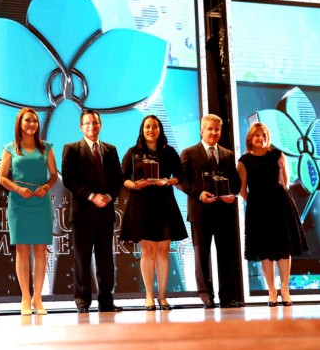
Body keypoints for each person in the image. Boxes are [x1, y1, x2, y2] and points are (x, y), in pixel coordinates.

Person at [120, 115, 187, 310]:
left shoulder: (169, 152)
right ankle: (149, 295)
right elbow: (122, 177)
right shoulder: (133, 153)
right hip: (141, 205)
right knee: (148, 251)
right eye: (148, 126)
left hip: (165, 204)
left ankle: (163, 296)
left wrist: (168, 181)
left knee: (163, 251)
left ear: (160, 129)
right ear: (142, 130)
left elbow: (180, 176)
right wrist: (134, 184)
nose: (151, 130)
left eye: (155, 126)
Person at [237, 122, 308, 307]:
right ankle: (271, 291)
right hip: (258, 209)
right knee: (265, 251)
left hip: (281, 205)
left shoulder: (277, 155)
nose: (261, 138)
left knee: (284, 249)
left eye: (264, 135)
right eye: (257, 135)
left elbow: (285, 180)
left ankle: (285, 290)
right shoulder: (244, 161)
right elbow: (242, 190)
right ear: (250, 139)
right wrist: (255, 202)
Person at [61, 109, 124, 313]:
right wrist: (91, 196)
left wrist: (108, 196)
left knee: (106, 260)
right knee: (82, 260)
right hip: (82, 214)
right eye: (87, 123)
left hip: (105, 213)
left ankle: (106, 301)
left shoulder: (110, 149)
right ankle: (82, 302)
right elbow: (69, 180)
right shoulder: (71, 149)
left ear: (100, 125)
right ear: (81, 127)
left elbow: (117, 179)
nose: (92, 126)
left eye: (95, 123)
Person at [179, 114, 243, 309]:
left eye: (217, 129)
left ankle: (227, 297)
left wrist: (232, 194)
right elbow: (181, 181)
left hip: (224, 212)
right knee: (201, 257)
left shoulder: (227, 154)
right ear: (202, 130)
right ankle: (207, 297)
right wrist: (199, 194)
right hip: (200, 213)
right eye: (210, 129)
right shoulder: (189, 153)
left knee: (226, 255)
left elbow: (236, 181)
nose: (214, 132)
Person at [0, 108, 58, 315]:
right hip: (19, 202)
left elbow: (53, 175)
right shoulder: (10, 148)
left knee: (40, 252)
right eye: (27, 121)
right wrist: (17, 189)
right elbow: (2, 177)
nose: (31, 124)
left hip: (40, 203)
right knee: (23, 252)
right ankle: (25, 297)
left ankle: (38, 298)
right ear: (19, 124)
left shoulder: (47, 148)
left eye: (34, 120)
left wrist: (46, 187)